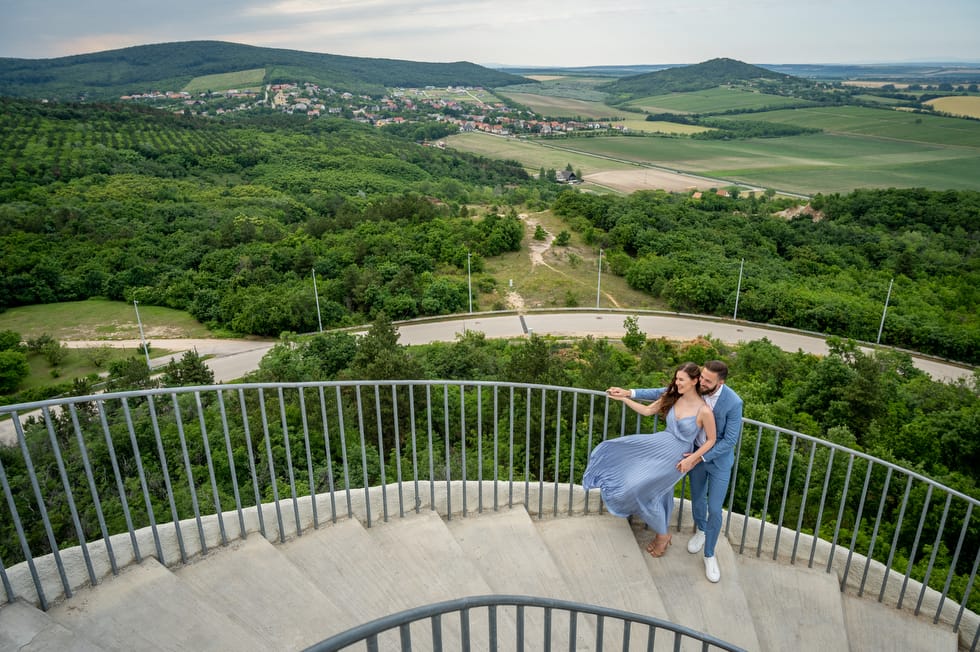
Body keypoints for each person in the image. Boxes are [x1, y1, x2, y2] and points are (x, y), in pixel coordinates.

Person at [607, 360, 743, 583]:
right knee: (698, 500)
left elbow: (728, 440)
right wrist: (628, 393)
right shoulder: (693, 386)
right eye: (702, 377)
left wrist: (698, 457)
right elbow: (664, 392)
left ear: (721, 382)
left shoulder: (733, 402)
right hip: (688, 457)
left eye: (708, 380)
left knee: (715, 508)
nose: (703, 381)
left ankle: (709, 555)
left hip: (713, 460)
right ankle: (699, 530)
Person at [583, 363, 716, 558]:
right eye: (676, 378)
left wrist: (693, 459)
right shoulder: (673, 396)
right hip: (658, 444)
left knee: (639, 487)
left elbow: (711, 440)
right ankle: (663, 532)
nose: (677, 383)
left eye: (681, 380)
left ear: (694, 381)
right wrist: (623, 397)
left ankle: (662, 534)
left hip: (677, 457)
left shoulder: (704, 410)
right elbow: (647, 411)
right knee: (651, 485)